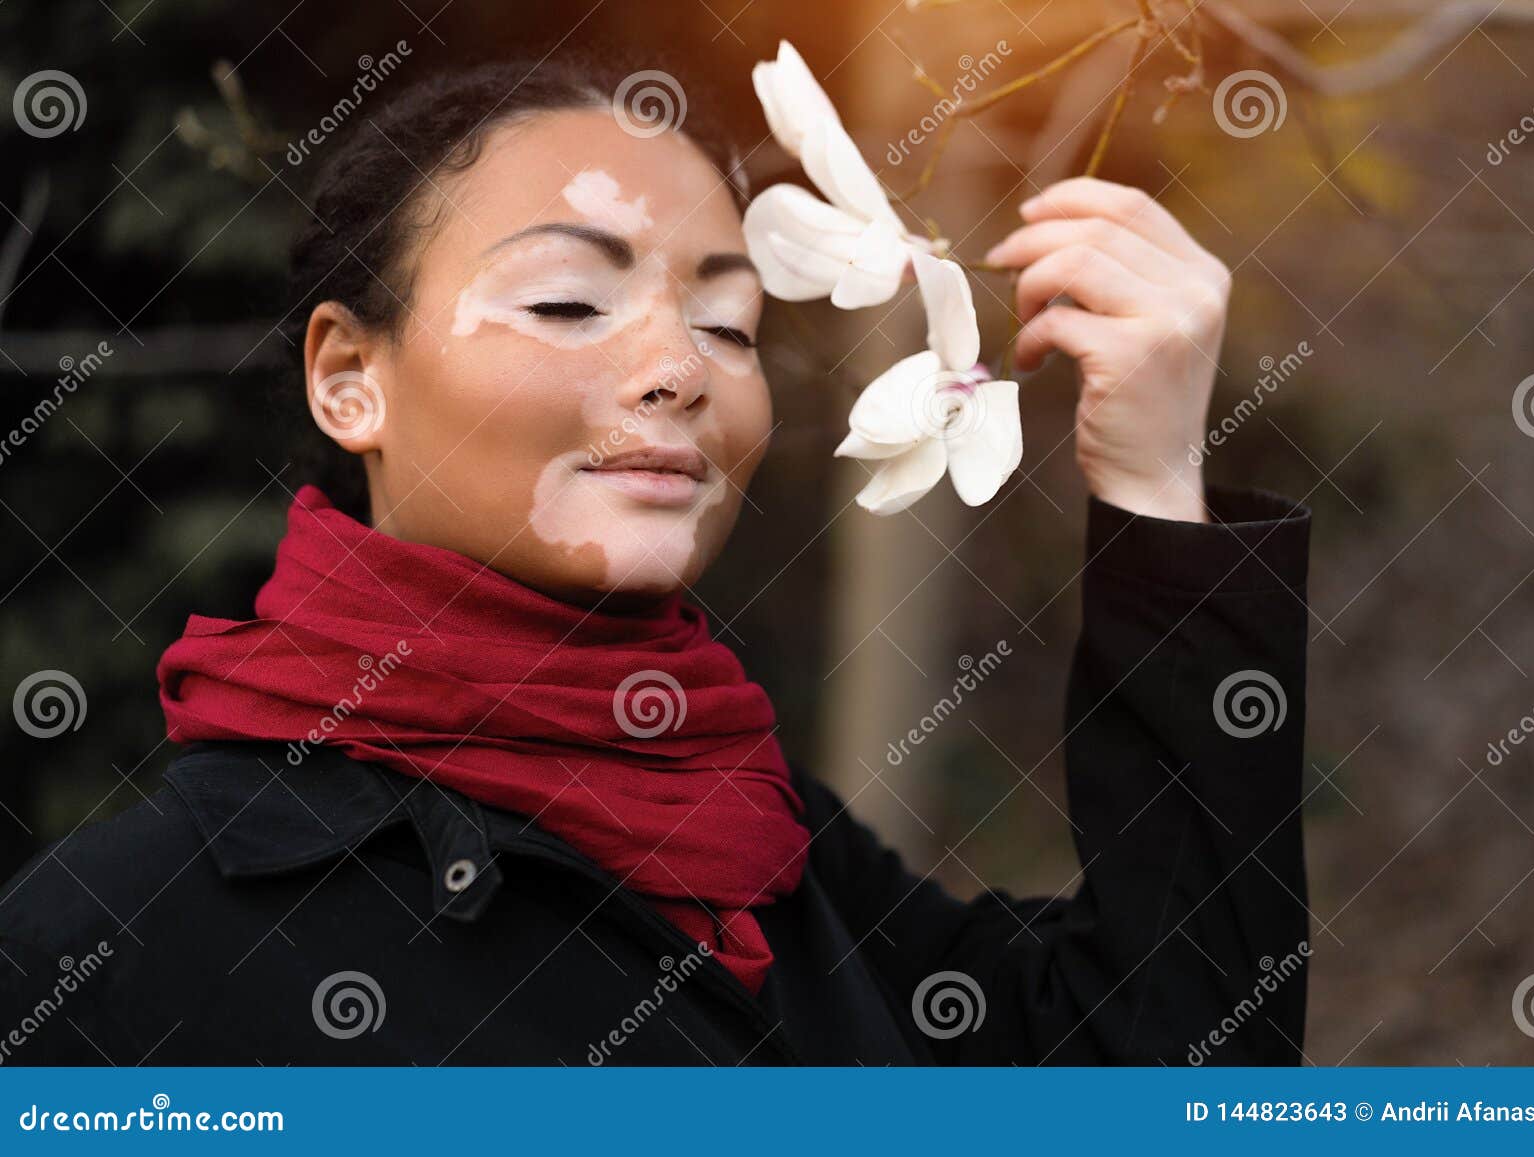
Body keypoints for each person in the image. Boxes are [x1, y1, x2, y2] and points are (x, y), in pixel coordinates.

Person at [0, 52, 1310, 1065]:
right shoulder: (114, 948)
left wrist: (1153, 485)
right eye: (569, 300)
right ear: (351, 378)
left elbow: (1172, 1068)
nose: (682, 370)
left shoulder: (766, 845)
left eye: (730, 324)